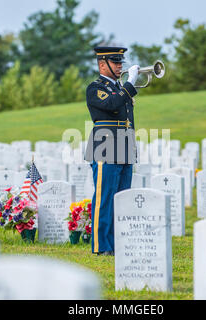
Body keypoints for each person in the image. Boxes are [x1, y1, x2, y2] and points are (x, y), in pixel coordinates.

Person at [84, 46, 140, 256]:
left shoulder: (119, 88)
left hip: (125, 144)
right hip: (106, 145)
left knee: (122, 197)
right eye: (115, 62)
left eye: (120, 63)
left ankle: (118, 244)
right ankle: (102, 246)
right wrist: (130, 83)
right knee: (105, 197)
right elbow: (113, 103)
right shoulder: (95, 87)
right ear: (102, 64)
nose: (120, 66)